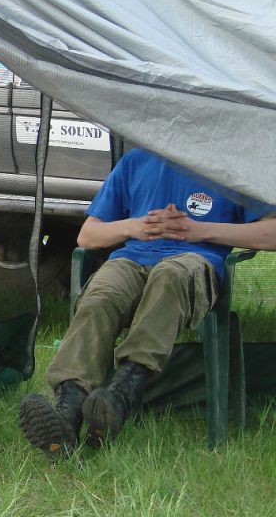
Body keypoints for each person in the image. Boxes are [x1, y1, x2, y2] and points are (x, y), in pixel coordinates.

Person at [19, 148, 276, 456]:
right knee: (100, 296)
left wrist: (200, 231)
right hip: (132, 259)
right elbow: (88, 236)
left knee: (169, 278)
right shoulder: (136, 161)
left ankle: (123, 394)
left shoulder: (231, 163)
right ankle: (67, 411)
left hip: (193, 261)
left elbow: (271, 232)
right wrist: (135, 226)